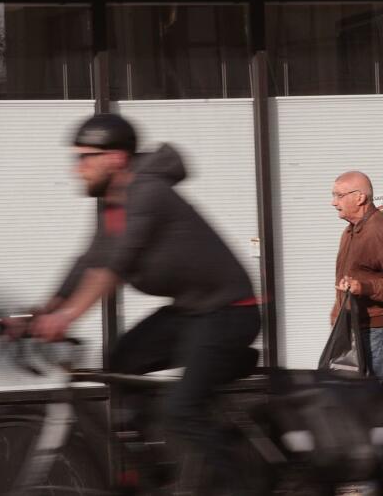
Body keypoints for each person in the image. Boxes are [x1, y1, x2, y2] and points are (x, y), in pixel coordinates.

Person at [32, 113, 261, 493]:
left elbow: (115, 265)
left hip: (230, 310)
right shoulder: (110, 205)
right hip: (191, 310)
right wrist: (40, 313)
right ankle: (152, 463)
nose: (78, 169)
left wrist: (67, 316)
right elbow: (88, 260)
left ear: (116, 158)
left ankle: (244, 486)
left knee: (181, 409)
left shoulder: (148, 193)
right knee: (121, 358)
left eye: (85, 157)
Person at [330, 170, 383, 495]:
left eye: (338, 195)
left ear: (359, 197)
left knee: (366, 408)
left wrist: (363, 287)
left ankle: (381, 486)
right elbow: (347, 279)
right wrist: (339, 313)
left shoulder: (381, 230)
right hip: (361, 328)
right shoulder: (351, 232)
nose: (333, 201)